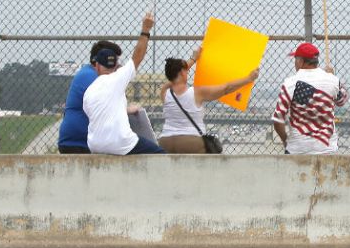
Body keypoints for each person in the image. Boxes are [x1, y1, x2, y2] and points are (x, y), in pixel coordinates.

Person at [83, 11, 166, 155]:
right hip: (119, 143)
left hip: (94, 145)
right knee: (161, 156)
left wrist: (124, 110)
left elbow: (102, 112)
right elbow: (137, 57)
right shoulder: (118, 78)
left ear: (96, 66)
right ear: (115, 66)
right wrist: (145, 30)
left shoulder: (89, 91)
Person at [158, 47, 260, 153]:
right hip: (191, 141)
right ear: (183, 73)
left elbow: (172, 79)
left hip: (165, 141)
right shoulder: (197, 92)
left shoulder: (164, 92)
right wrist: (249, 78)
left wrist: (192, 60)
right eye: (185, 70)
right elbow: (226, 88)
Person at [271, 42, 348, 154]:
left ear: (300, 61)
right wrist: (333, 77)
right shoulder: (332, 80)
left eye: (295, 59)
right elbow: (342, 100)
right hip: (328, 150)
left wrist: (286, 142)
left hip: (297, 151)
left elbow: (278, 120)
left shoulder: (290, 83)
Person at [57, 40, 122, 154]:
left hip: (86, 143)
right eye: (113, 60)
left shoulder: (96, 75)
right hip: (76, 144)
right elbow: (108, 105)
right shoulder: (90, 76)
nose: (116, 65)